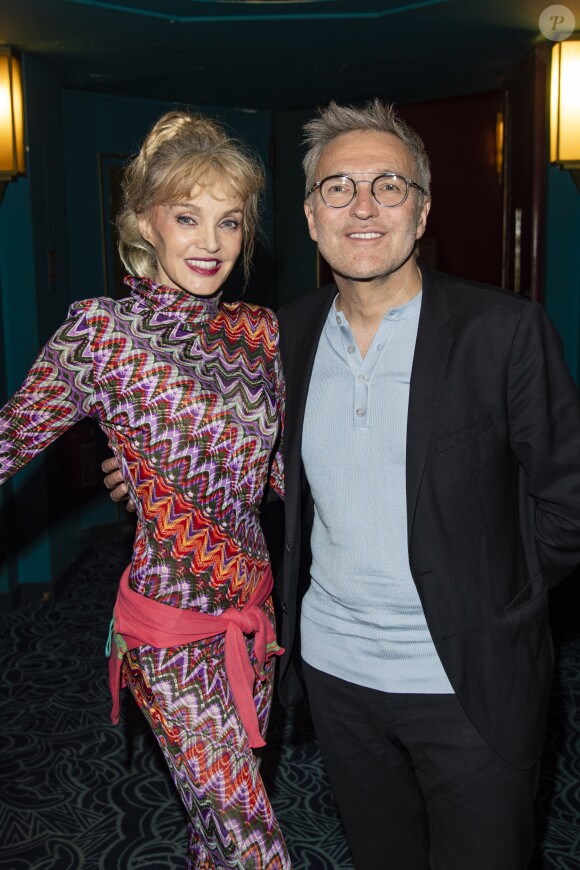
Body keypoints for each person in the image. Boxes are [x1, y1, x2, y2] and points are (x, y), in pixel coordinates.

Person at [104, 99, 580, 870]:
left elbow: (568, 503)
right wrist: (162, 469)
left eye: (388, 186)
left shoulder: (504, 332)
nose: (362, 206)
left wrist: (499, 598)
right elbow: (255, 460)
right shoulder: (279, 334)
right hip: (334, 679)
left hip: (469, 683)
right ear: (311, 218)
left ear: (421, 213)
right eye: (337, 188)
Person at [0, 110, 291, 869]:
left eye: (229, 222)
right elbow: (8, 440)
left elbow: (287, 475)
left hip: (252, 619)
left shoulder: (259, 334)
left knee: (215, 828)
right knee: (252, 839)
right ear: (143, 222)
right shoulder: (102, 337)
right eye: (187, 216)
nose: (210, 242)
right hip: (167, 631)